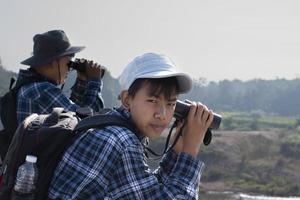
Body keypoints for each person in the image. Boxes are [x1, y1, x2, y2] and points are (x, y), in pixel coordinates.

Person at [48, 53, 213, 199]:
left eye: (171, 103)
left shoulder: (112, 127)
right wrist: (190, 150)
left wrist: (177, 150)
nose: (162, 114)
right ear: (127, 99)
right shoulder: (121, 140)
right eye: (152, 101)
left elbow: (147, 191)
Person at [16, 30, 104, 124]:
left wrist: (82, 81)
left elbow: (71, 114)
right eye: (68, 62)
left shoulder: (31, 87)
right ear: (53, 62)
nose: (69, 68)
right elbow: (86, 122)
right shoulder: (43, 90)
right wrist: (95, 81)